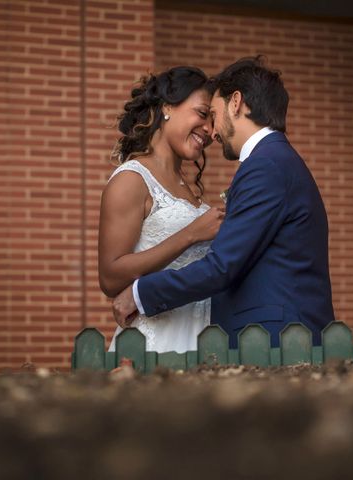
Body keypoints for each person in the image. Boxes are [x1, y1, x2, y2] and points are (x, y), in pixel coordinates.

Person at [113, 56, 335, 348]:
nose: (213, 133)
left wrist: (141, 293)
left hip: (277, 338)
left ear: (236, 103)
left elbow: (222, 267)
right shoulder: (276, 160)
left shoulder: (265, 165)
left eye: (213, 115)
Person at [99, 66, 225, 353]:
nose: (210, 131)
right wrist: (190, 234)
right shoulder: (132, 179)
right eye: (203, 114)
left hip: (202, 340)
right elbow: (110, 277)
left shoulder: (189, 187)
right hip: (155, 344)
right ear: (168, 106)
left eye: (213, 121)